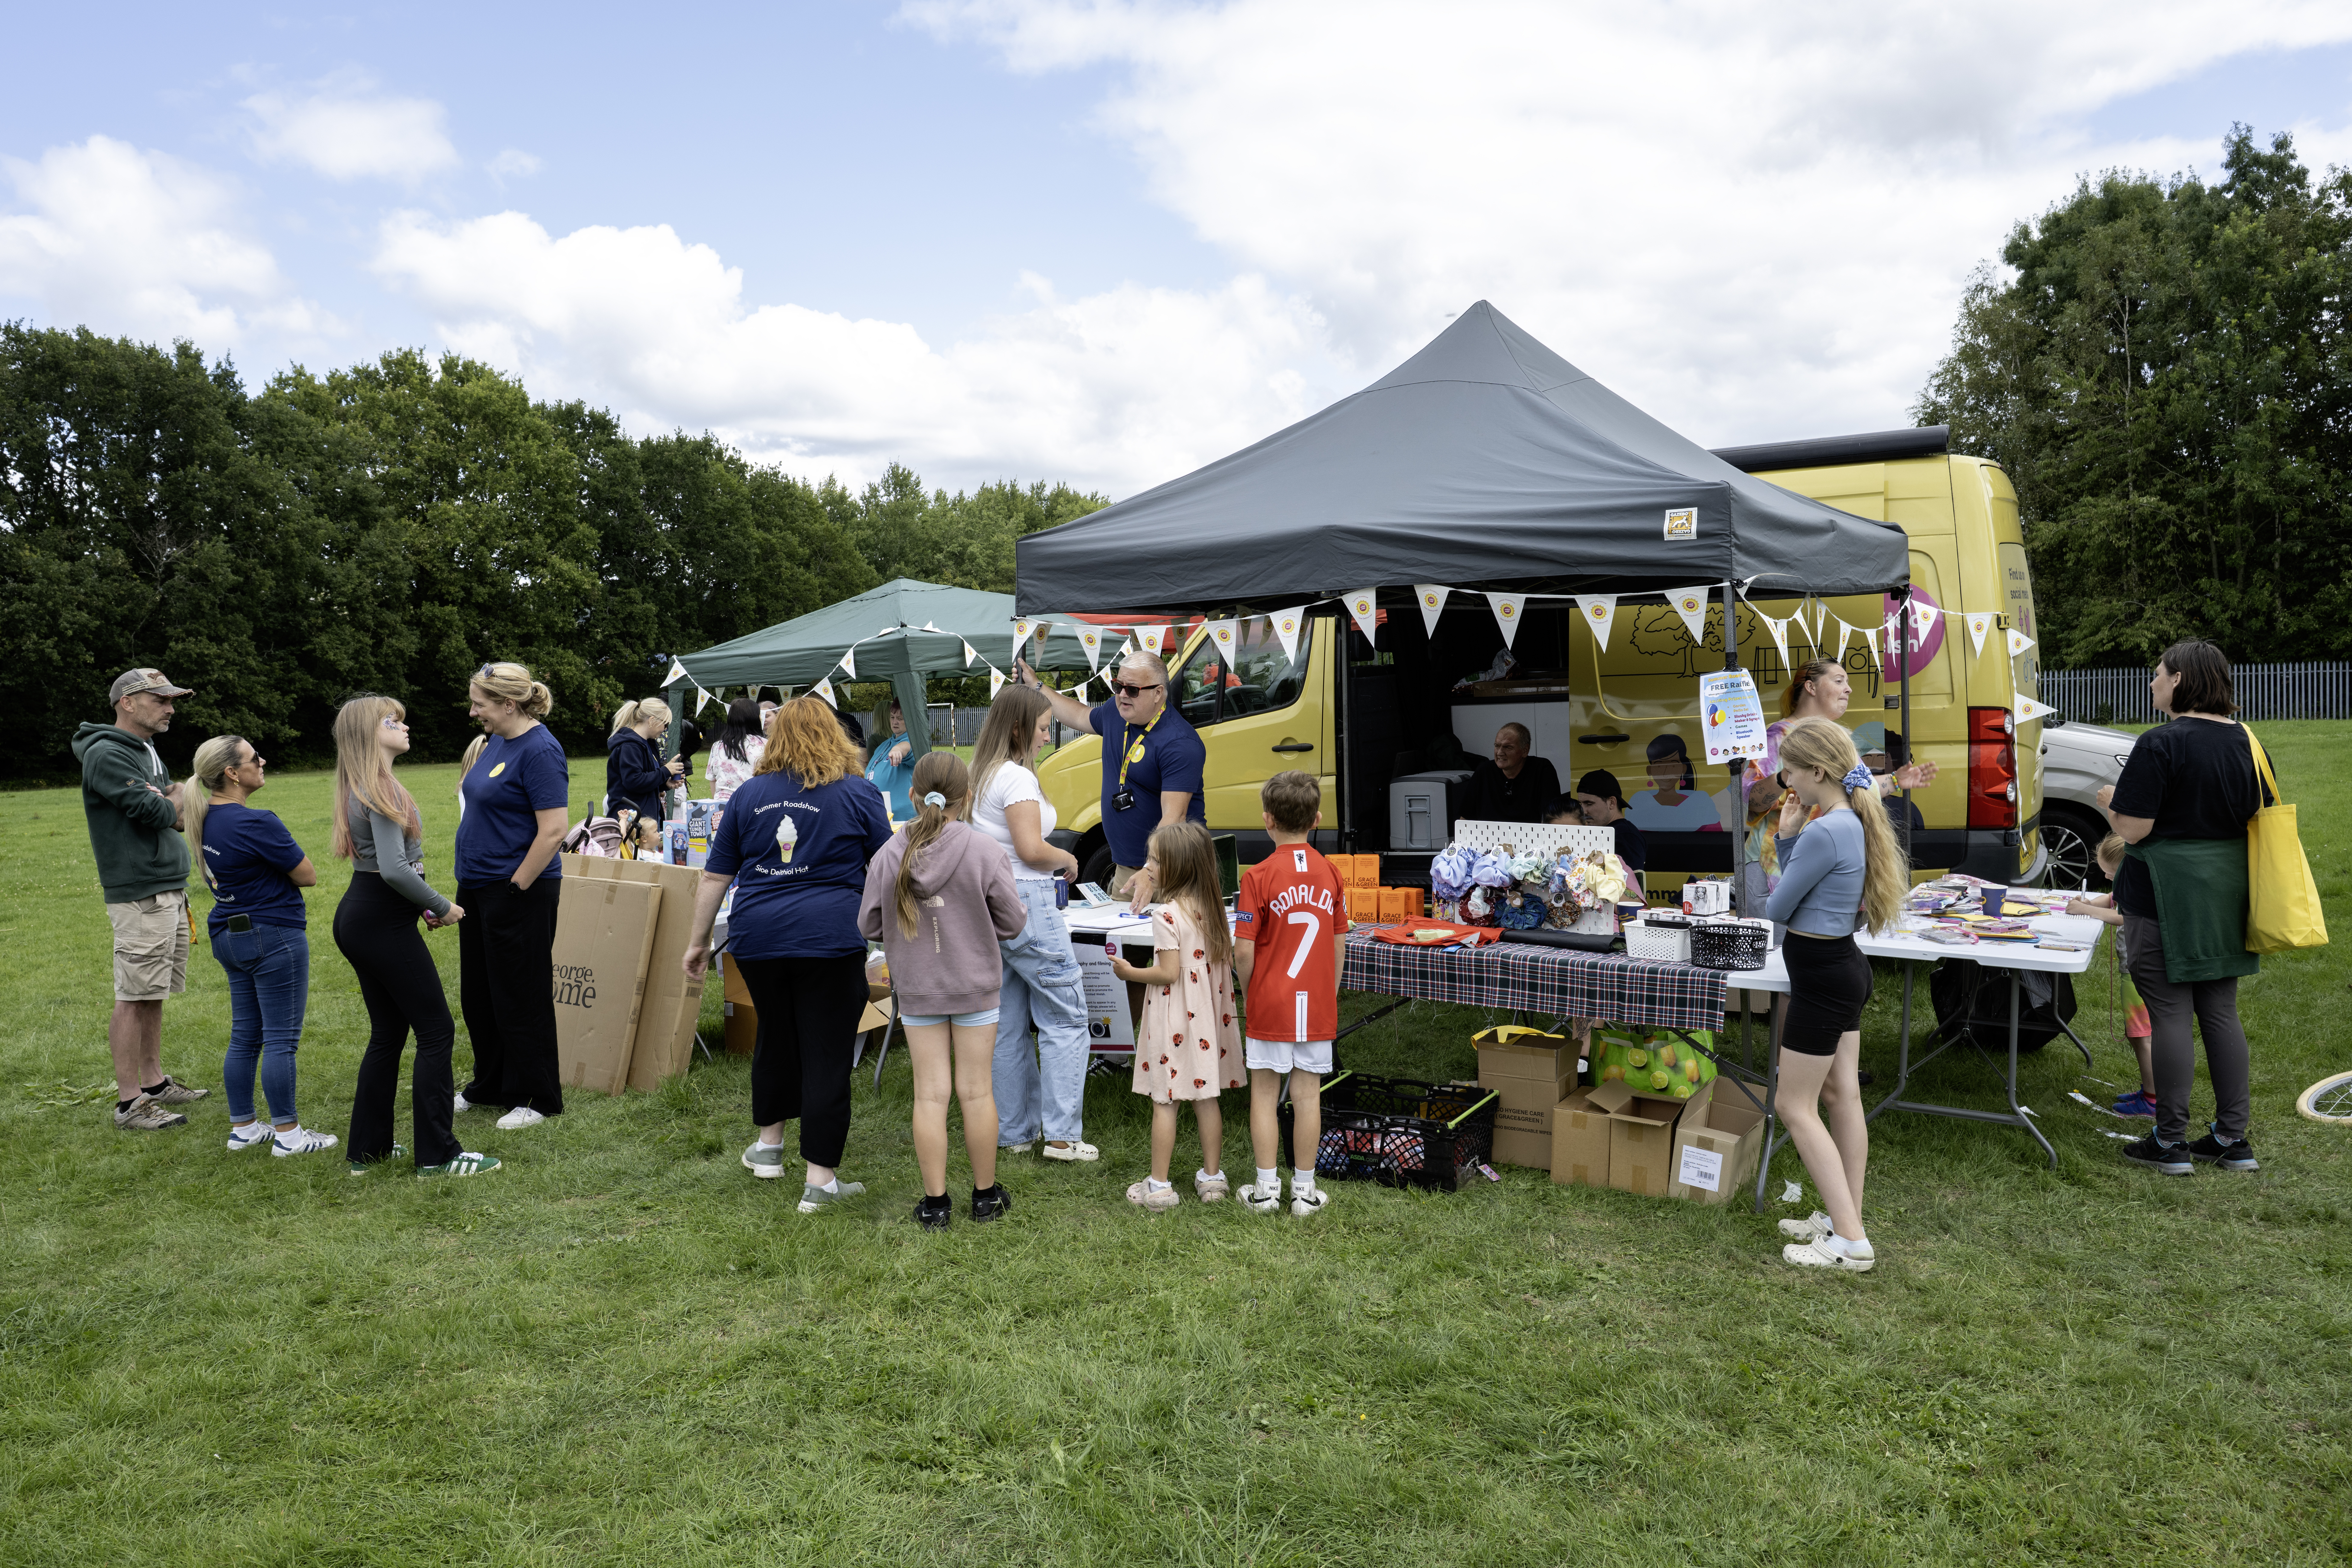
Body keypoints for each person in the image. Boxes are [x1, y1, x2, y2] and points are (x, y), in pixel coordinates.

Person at [682, 697, 893, 1211]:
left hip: (757, 938)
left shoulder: (749, 793)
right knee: (825, 1053)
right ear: (835, 735)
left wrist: (698, 941)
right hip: (829, 938)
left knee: (775, 1035)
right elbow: (888, 865)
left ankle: (769, 1147)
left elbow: (716, 875)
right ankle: (820, 1181)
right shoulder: (859, 792)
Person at [2102, 641, 2265, 1175]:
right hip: (2227, 892)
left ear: (2179, 681)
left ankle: (2169, 1141)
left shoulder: (2160, 743)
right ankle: (2230, 1137)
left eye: (2158, 676)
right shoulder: (2247, 740)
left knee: (2169, 1011)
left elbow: (2134, 828)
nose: (2152, 685)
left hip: (2163, 893)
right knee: (2220, 1009)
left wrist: (2110, 803)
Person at [858, 752, 1026, 1229]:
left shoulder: (891, 853)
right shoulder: (984, 850)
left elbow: (869, 923)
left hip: (918, 990)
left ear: (912, 795)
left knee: (929, 1095)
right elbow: (1013, 922)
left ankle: (935, 1205)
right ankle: (986, 1196)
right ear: (968, 798)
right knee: (977, 1092)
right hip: (975, 987)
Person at [332, 696, 498, 1177]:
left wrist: (422, 904)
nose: (404, 727)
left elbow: (394, 870)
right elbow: (394, 869)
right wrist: (443, 907)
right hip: (378, 919)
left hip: (364, 917)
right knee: (436, 1031)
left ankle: (370, 1150)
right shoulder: (379, 788)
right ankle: (438, 1154)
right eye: (392, 721)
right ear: (369, 735)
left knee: (388, 1033)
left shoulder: (363, 785)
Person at [1764, 716, 1905, 1274]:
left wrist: (1787, 835)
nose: (1787, 782)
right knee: (1840, 1095)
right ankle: (1847, 1218)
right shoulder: (1849, 820)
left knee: (1791, 1103)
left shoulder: (1825, 830)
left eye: (1792, 771)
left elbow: (1777, 909)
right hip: (1843, 966)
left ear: (1817, 770)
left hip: (1823, 976)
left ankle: (1849, 1241)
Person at [74, 667, 209, 1131]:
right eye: (160, 699)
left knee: (153, 992)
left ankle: (154, 1083)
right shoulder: (107, 753)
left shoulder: (146, 750)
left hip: (166, 885)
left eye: (172, 699)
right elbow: (156, 809)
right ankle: (130, 1103)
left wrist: (171, 798)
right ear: (127, 703)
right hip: (140, 892)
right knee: (133, 995)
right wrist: (178, 794)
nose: (171, 708)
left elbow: (170, 816)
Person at [186, 734, 333, 1156]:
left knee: (246, 1035)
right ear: (233, 773)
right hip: (273, 936)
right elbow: (307, 875)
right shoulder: (256, 821)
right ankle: (289, 1137)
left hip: (229, 935)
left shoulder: (205, 818)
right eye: (255, 758)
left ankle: (245, 1128)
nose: (262, 761)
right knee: (281, 1039)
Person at [968, 685, 1095, 1162]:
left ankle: (1016, 1134)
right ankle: (1062, 1136)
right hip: (1029, 900)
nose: (1048, 736)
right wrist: (1068, 857)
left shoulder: (984, 774)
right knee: (1066, 1015)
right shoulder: (1017, 779)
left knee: (1007, 1026)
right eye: (1044, 728)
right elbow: (1030, 849)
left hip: (993, 904)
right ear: (1019, 728)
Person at [454, 661, 571, 1132]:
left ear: (508, 704)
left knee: (521, 994)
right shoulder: (497, 741)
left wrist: (516, 885)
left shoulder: (541, 750)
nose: (472, 713)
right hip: (480, 887)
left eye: (479, 704)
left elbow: (554, 830)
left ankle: (536, 1096)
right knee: (481, 994)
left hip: (519, 888)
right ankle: (491, 1085)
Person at [1111, 821, 1242, 1211]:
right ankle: (1213, 1179)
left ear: (1177, 867)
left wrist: (1129, 973)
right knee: (1207, 1098)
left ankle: (1160, 1187)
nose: (1148, 865)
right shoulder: (1214, 908)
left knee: (1165, 1100)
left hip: (1174, 1019)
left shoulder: (1166, 915)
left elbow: (1168, 973)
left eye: (1156, 859)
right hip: (1206, 1018)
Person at [1739, 659, 1936, 911]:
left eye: (1848, 683)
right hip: (1775, 869)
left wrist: (1896, 780)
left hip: (1826, 866)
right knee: (1781, 950)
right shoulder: (1777, 735)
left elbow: (1857, 788)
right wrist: (1786, 776)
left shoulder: (1839, 737)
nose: (1849, 689)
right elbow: (1753, 801)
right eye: (1839, 681)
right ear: (1811, 687)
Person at [1016, 648, 1205, 910]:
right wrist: (1037, 686)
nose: (1123, 695)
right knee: (1125, 950)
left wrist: (1152, 872)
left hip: (1171, 872)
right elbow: (1079, 715)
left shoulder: (1180, 743)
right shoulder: (1117, 713)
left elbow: (1174, 820)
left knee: (1175, 948)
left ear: (1159, 693)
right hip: (1129, 870)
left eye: (1133, 690)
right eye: (1118, 686)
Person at [1234, 772, 1344, 1217]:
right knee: (1309, 1096)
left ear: (1267, 820)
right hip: (1314, 1003)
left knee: (1264, 1094)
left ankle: (1265, 1190)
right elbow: (1339, 943)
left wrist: (1249, 994)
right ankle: (1303, 1191)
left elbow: (1244, 950)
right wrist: (1329, 992)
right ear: (1317, 819)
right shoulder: (1332, 872)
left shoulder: (1257, 876)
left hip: (1272, 1001)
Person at [2064, 835, 2157, 1120]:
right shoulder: (2129, 879)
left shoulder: (2139, 883)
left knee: (2141, 1036)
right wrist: (2091, 901)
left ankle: (2154, 1101)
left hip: (2139, 969)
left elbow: (2124, 916)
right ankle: (2151, 1091)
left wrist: (2087, 910)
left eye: (2110, 872)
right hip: (2134, 968)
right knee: (2138, 1035)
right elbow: (2113, 899)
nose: (2105, 876)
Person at [1458, 723, 1561, 824]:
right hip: (1490, 839)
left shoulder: (1542, 769)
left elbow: (1552, 820)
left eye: (1508, 747)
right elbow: (1466, 818)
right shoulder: (1484, 771)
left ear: (1525, 751)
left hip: (1531, 838)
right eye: (1497, 746)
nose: (1500, 753)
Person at [606, 696, 684, 824]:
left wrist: (665, 784)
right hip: (632, 821)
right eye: (666, 724)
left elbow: (645, 778)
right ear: (652, 721)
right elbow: (633, 781)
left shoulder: (648, 744)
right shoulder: (630, 747)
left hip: (645, 820)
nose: (665, 729)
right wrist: (665, 771)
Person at [1626, 734, 1725, 832]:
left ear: (1683, 768)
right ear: (1650, 770)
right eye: (1659, 765)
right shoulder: (1639, 803)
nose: (1666, 773)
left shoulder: (1702, 803)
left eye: (1673, 765)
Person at [1568, 769, 1647, 878]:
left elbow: (1629, 887)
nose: (1584, 811)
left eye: (1589, 804)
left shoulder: (1626, 836)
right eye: (1581, 804)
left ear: (1612, 803)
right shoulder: (1613, 832)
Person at [703, 698, 767, 803]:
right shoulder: (766, 745)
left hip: (723, 807)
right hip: (754, 805)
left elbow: (712, 779)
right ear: (754, 719)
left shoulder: (717, 746)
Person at [864, 699, 917, 822]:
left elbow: (908, 748)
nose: (895, 722)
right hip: (881, 814)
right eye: (892, 717)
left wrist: (898, 750)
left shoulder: (913, 742)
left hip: (902, 819)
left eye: (900, 719)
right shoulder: (884, 745)